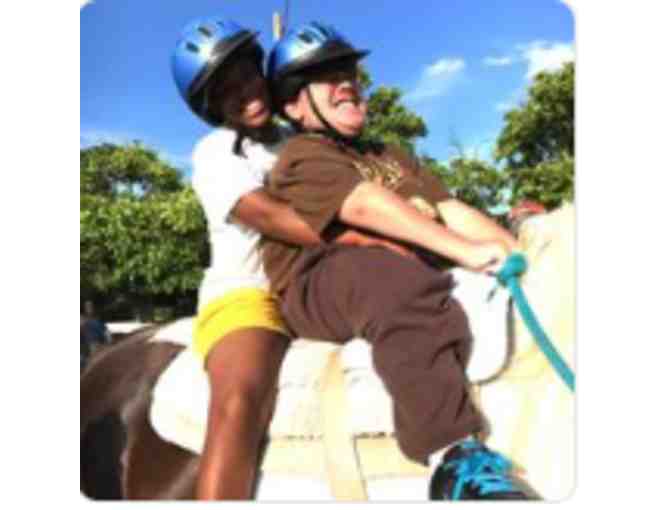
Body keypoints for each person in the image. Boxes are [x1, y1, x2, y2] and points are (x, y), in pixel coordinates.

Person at [262, 21, 531, 500]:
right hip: (319, 280)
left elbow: (449, 209)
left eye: (348, 72)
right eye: (325, 77)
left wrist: (519, 254)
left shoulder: (389, 154)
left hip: (400, 266)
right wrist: (465, 253)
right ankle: (454, 459)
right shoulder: (300, 155)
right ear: (294, 106)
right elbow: (363, 205)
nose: (346, 83)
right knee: (388, 274)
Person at [170, 17, 413, 500]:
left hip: (316, 283)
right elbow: (276, 218)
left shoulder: (299, 136)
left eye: (246, 74)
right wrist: (372, 236)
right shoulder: (215, 152)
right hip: (250, 297)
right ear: (211, 107)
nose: (244, 91)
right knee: (239, 402)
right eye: (225, 89)